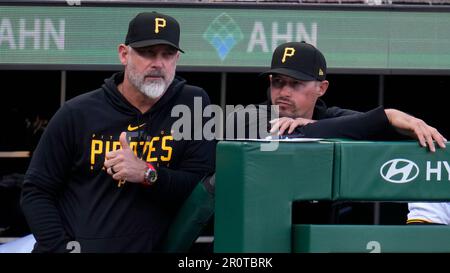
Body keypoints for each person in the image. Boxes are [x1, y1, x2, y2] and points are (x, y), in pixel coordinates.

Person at [20, 12, 215, 253]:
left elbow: (200, 187)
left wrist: (146, 173)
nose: (158, 63)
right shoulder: (78, 113)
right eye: (147, 52)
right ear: (124, 54)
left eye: (167, 54)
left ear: (176, 58)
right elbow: (36, 191)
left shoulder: (192, 104)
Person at [228, 41, 446, 152]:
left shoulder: (330, 116)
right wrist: (385, 115)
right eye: (278, 82)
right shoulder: (246, 117)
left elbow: (368, 124)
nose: (284, 92)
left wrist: (395, 119)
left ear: (321, 88)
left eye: (296, 84)